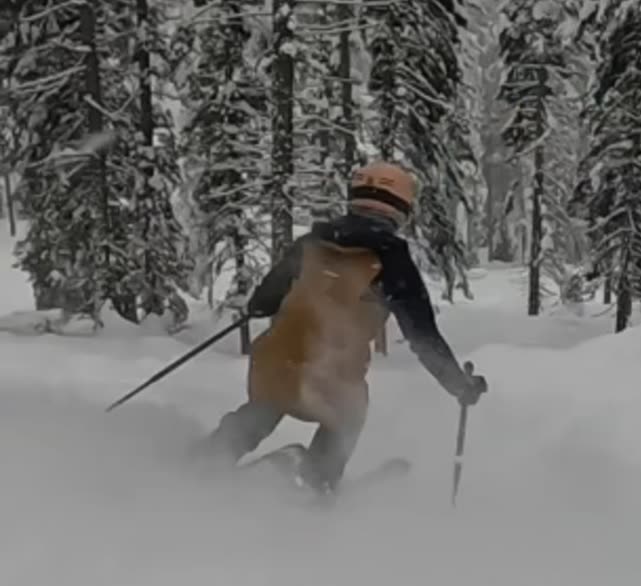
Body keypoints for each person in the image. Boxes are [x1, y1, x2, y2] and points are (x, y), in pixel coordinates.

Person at [192, 161, 488, 493]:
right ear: (402, 206)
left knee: (266, 406)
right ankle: (312, 482)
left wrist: (266, 304)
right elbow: (422, 336)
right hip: (330, 373)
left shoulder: (312, 244)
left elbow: (263, 301)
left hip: (273, 359)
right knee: (348, 415)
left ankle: (205, 462)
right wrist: (458, 384)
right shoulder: (392, 261)